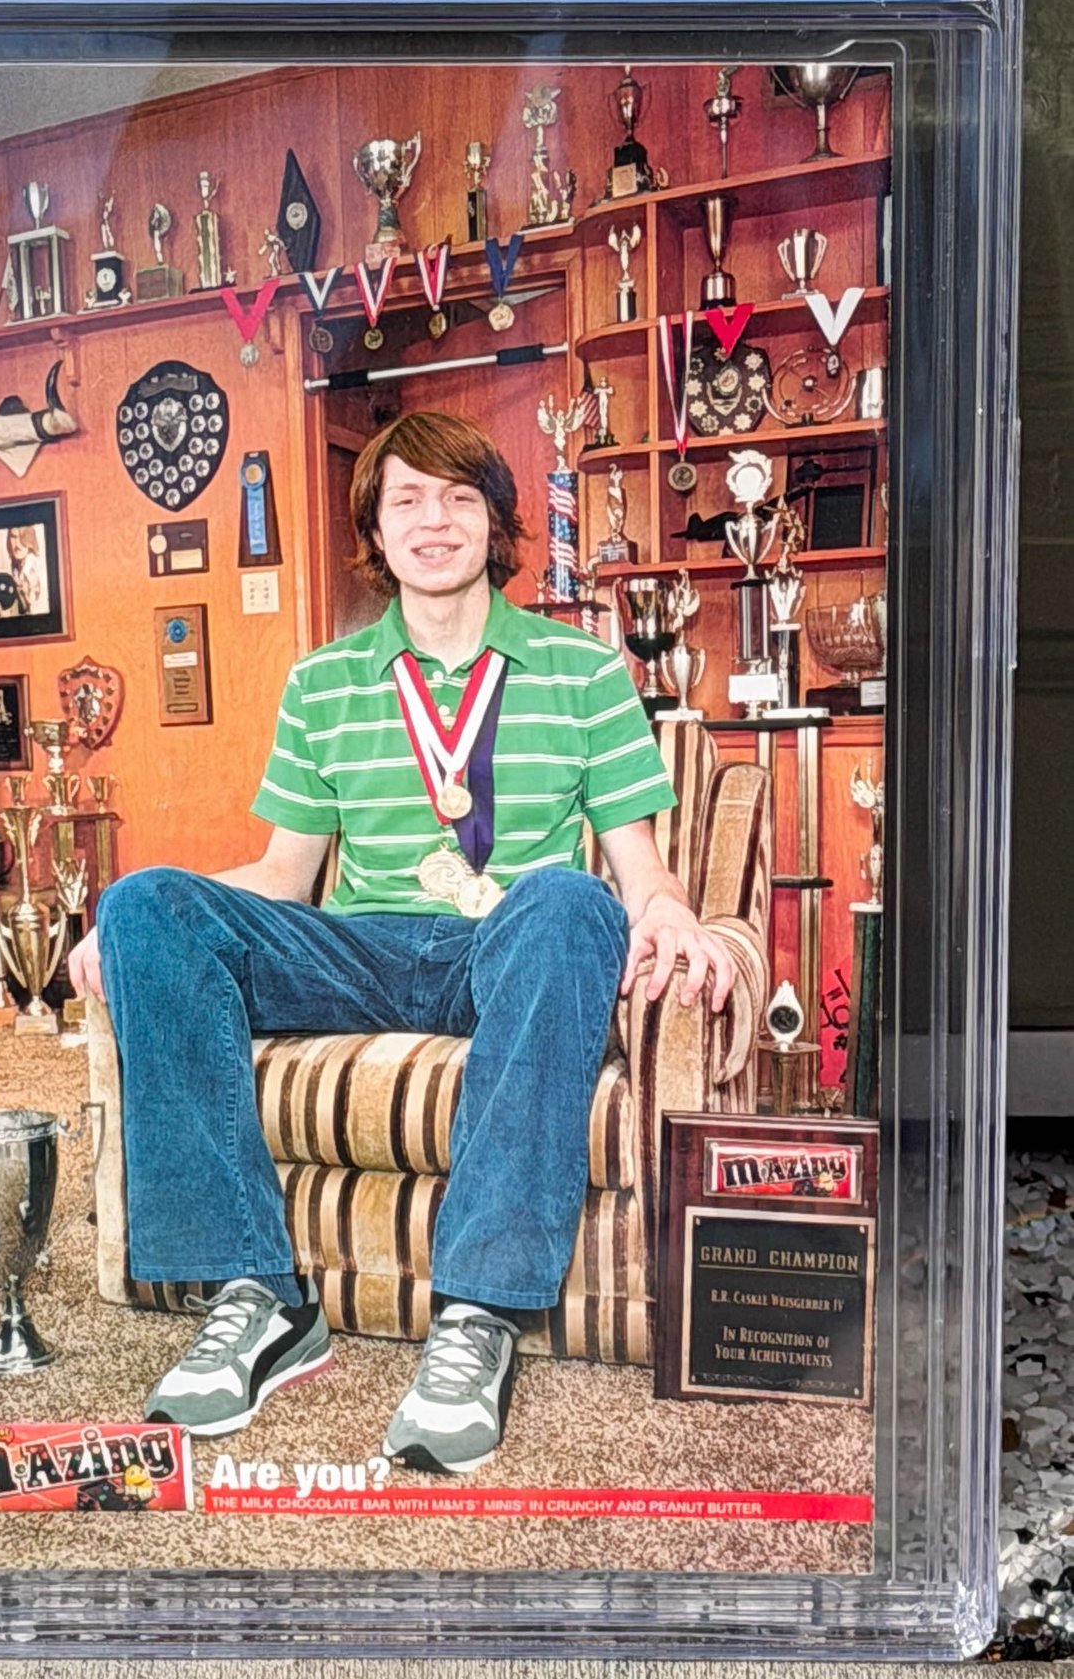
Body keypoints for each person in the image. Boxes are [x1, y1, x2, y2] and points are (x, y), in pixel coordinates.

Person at [70, 409, 734, 1475]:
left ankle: (475, 1313)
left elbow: (637, 868)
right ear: (374, 532)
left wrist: (663, 907)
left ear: (495, 523)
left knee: (571, 901)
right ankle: (258, 1297)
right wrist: (133, 927)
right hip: (356, 952)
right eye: (407, 500)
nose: (434, 521)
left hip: (508, 953)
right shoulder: (322, 683)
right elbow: (283, 879)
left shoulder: (584, 671)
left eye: (459, 498)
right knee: (143, 900)